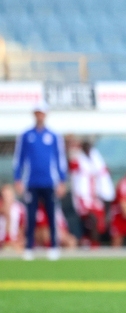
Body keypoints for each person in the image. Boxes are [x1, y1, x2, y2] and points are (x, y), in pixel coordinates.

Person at [13, 101, 66, 261]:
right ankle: (29, 247)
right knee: (31, 215)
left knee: (52, 215)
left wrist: (62, 180)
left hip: (49, 182)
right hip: (31, 182)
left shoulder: (54, 136)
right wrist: (18, 179)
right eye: (37, 112)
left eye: (42, 112)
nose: (40, 115)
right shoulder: (26, 135)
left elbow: (60, 159)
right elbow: (19, 159)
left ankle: (54, 246)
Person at [67, 136, 114, 247]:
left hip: (94, 197)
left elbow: (104, 173)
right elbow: (71, 164)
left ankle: (93, 243)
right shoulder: (78, 159)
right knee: (92, 218)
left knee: (101, 221)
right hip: (82, 198)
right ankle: (90, 242)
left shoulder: (94, 159)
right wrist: (72, 147)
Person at [0, 183, 27, 251]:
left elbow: (22, 227)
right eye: (4, 195)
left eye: (8, 195)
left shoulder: (19, 208)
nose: (6, 198)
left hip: (14, 241)